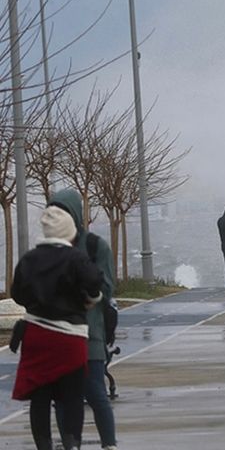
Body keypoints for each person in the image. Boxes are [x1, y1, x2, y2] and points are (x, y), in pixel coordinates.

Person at [11, 206, 103, 450]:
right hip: (69, 337)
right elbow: (94, 283)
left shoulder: (29, 259)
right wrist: (89, 300)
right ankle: (72, 443)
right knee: (72, 396)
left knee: (39, 397)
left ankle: (44, 445)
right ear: (69, 233)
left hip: (36, 335)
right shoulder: (76, 258)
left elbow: (17, 293)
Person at [50, 189, 119, 450]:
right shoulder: (50, 249)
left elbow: (108, 287)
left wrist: (83, 292)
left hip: (89, 333)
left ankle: (109, 444)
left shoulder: (94, 246)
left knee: (95, 392)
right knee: (62, 397)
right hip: (58, 334)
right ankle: (70, 445)